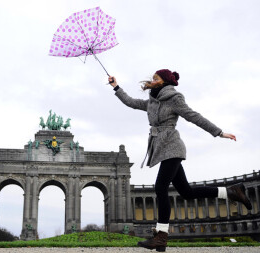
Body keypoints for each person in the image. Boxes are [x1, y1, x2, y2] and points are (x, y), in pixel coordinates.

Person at [108, 70, 252, 252]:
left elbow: (194, 116)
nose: (152, 81)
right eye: (152, 78)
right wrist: (116, 86)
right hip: (162, 148)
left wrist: (219, 132)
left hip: (172, 146)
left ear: (164, 81)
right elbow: (131, 102)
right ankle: (231, 192)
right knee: (187, 192)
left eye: (156, 78)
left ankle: (160, 237)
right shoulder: (152, 102)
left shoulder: (174, 98)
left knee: (160, 187)